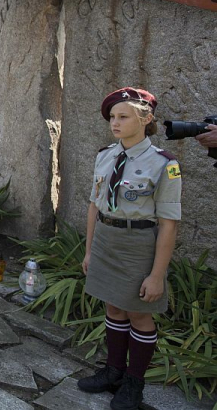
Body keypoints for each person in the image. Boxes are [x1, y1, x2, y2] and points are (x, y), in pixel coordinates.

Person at [78, 87, 181, 410]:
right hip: (107, 239)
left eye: (123, 116)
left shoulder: (164, 163)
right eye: (112, 117)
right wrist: (89, 251)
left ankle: (134, 384)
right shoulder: (105, 155)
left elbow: (168, 223)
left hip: (138, 245)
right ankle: (114, 371)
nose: (115, 123)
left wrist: (157, 274)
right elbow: (95, 206)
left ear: (146, 118)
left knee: (138, 313)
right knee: (113, 307)